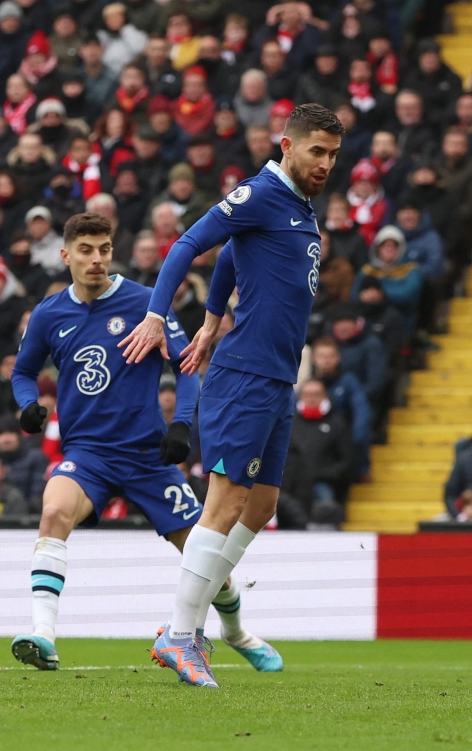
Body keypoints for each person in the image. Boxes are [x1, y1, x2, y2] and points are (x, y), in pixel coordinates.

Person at [118, 104, 343, 689]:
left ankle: (204, 625)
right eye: (316, 151)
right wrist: (155, 315)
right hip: (244, 376)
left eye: (333, 154)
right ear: (286, 146)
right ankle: (179, 632)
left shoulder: (297, 205)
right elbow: (187, 245)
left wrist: (214, 318)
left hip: (276, 376)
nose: (325, 163)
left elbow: (234, 258)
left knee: (262, 507)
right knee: (222, 504)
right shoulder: (262, 193)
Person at [9, 212, 279, 674]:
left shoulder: (144, 302)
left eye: (105, 249)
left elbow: (186, 366)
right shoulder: (49, 314)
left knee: (205, 556)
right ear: (65, 255)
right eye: (86, 250)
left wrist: (182, 425)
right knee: (52, 512)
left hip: (147, 457)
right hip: (88, 455)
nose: (97, 259)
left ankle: (235, 632)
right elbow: (22, 373)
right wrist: (28, 404)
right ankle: (43, 635)